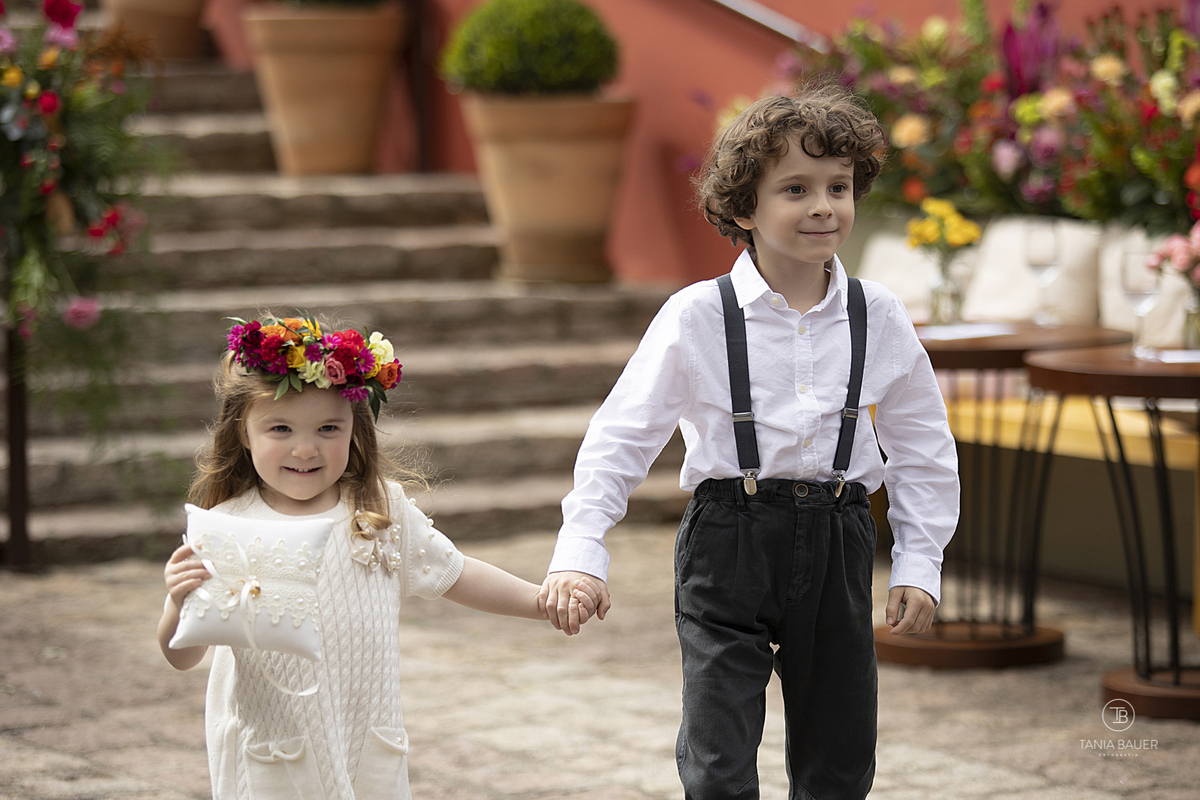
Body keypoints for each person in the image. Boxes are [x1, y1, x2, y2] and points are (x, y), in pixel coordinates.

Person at [537, 85, 959, 799]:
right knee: (718, 757)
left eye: (838, 187)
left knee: (841, 757)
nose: (824, 205)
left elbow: (923, 445)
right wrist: (582, 551)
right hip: (727, 540)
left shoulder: (877, 314)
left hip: (839, 536)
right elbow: (621, 435)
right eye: (795, 189)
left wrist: (919, 561)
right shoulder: (696, 315)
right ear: (743, 209)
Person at [157, 315, 600, 800]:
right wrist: (178, 604)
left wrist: (540, 601)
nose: (305, 448)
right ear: (243, 432)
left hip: (363, 735)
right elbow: (183, 657)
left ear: (354, 428)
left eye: (329, 428)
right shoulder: (228, 526)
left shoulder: (379, 512)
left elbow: (457, 574)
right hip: (273, 751)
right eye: (279, 428)